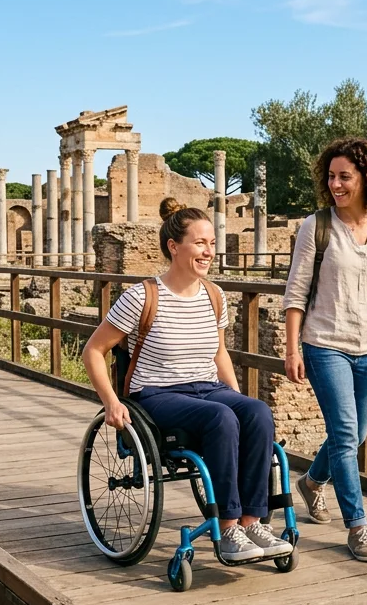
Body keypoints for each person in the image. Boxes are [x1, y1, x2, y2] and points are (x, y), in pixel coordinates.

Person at [81, 197, 292, 563]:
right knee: (220, 418)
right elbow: (93, 351)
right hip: (156, 394)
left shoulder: (214, 295)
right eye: (200, 243)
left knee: (257, 412)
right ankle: (227, 529)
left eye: (212, 243)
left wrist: (237, 396)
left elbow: (219, 353)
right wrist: (111, 402)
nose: (209, 251)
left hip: (207, 388)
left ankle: (252, 521)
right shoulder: (141, 296)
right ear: (174, 247)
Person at [282, 137, 367, 562]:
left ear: (366, 178)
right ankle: (358, 526)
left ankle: (310, 483)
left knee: (355, 434)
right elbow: (296, 292)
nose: (335, 184)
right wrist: (292, 348)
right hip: (325, 344)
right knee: (345, 435)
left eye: (345, 176)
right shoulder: (316, 226)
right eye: (331, 176)